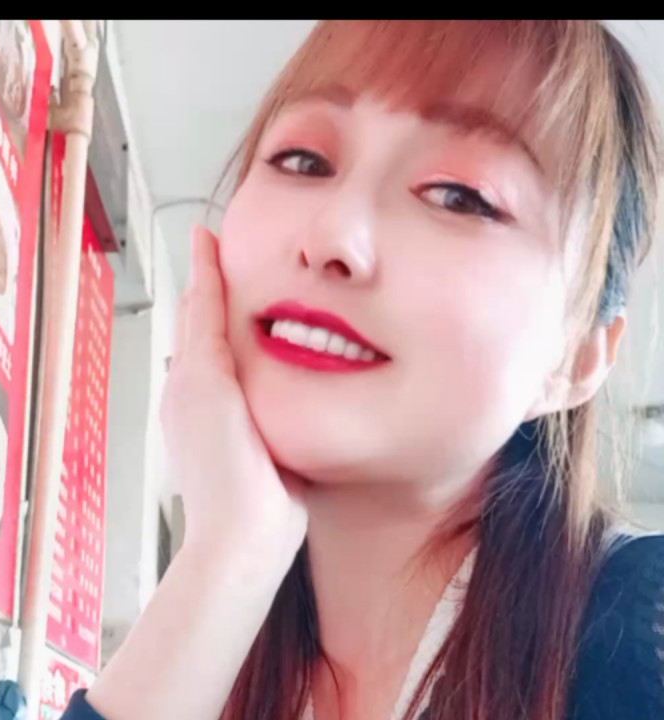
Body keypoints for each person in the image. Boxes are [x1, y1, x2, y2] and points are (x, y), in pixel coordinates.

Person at [62, 20, 664, 720]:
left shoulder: (639, 639)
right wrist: (226, 561)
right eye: (303, 161)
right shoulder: (208, 646)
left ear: (578, 355)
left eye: (458, 196)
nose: (332, 235)